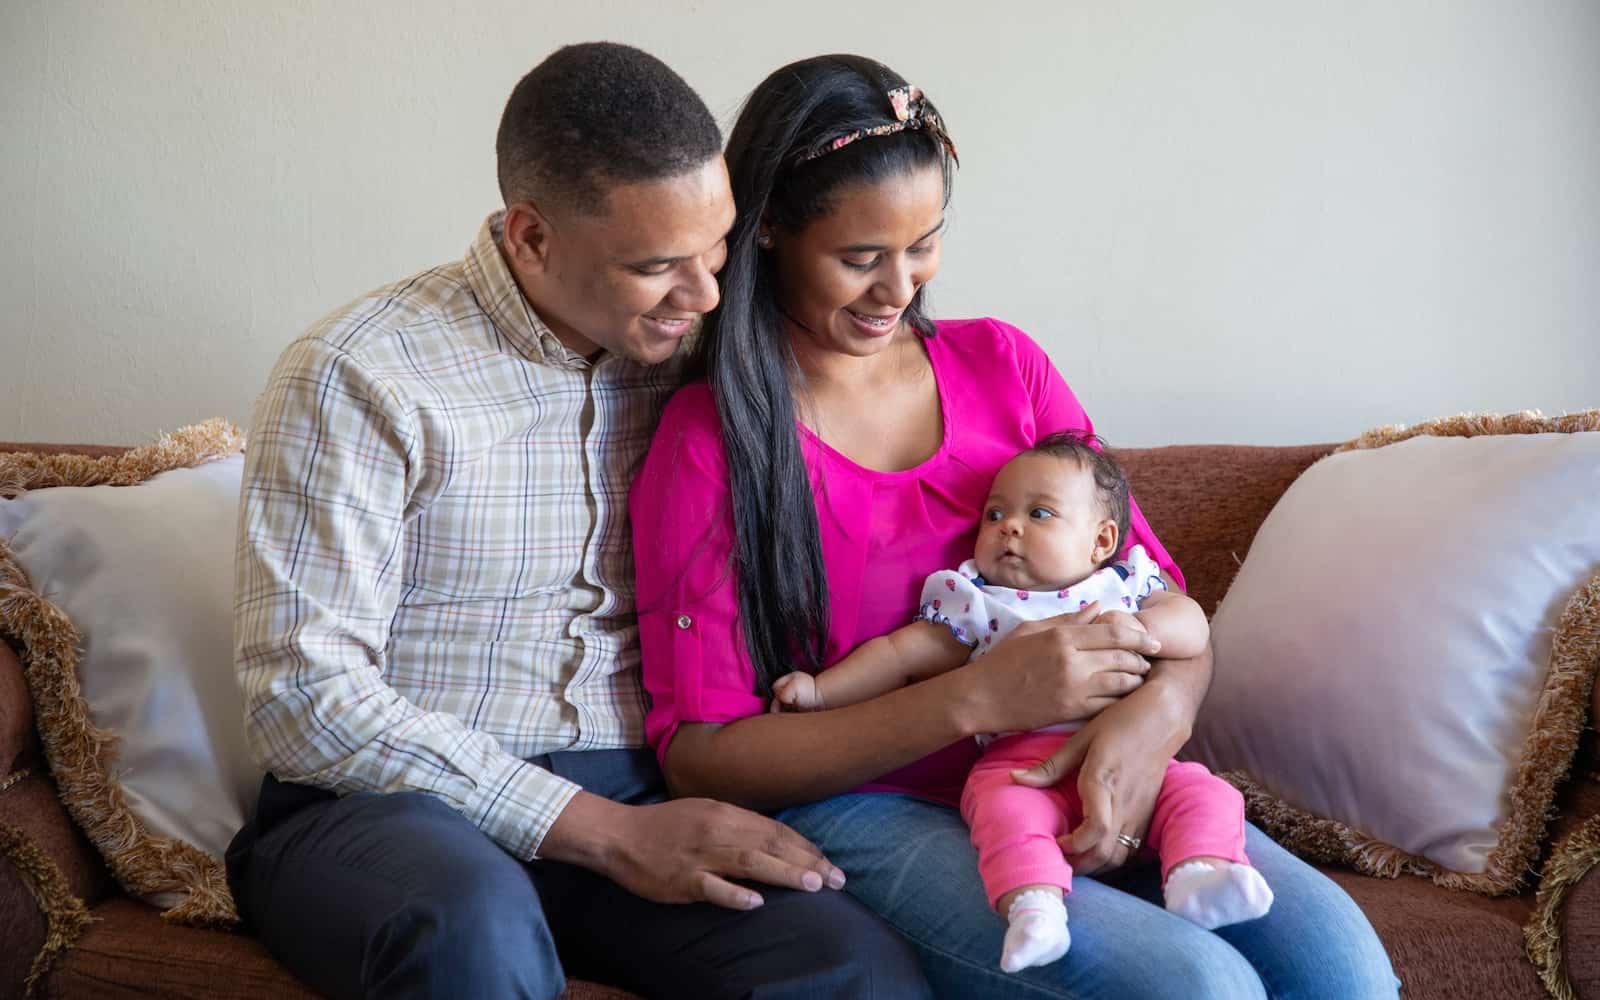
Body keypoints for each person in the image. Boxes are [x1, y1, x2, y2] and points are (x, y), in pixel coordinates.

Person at [630, 53, 1398, 997]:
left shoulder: (1006, 365)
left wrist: (1149, 723)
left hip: (1071, 760)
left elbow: (1163, 600)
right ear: (772, 231)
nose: (898, 288)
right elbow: (698, 754)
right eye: (860, 258)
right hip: (868, 807)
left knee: (1341, 967)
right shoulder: (714, 439)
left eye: (924, 244)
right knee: (1193, 985)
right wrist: (977, 699)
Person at [227, 42, 930, 999]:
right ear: (531, 237)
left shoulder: (704, 357)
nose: (709, 296)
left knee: (850, 969)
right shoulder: (362, 372)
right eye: (656, 267)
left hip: (640, 782)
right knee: (472, 930)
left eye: (718, 247)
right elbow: (302, 699)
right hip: (387, 809)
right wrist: (603, 832)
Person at [770, 432, 1273, 973]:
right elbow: (898, 655)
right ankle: (1034, 906)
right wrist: (823, 691)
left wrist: (1143, 630)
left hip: (1130, 756)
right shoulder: (981, 603)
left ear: (1101, 541)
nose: (1009, 526)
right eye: (994, 515)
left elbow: (1192, 625)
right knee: (1001, 814)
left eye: (1039, 514)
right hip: (1018, 766)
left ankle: (1200, 870)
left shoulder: (1121, 587)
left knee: (1204, 791)